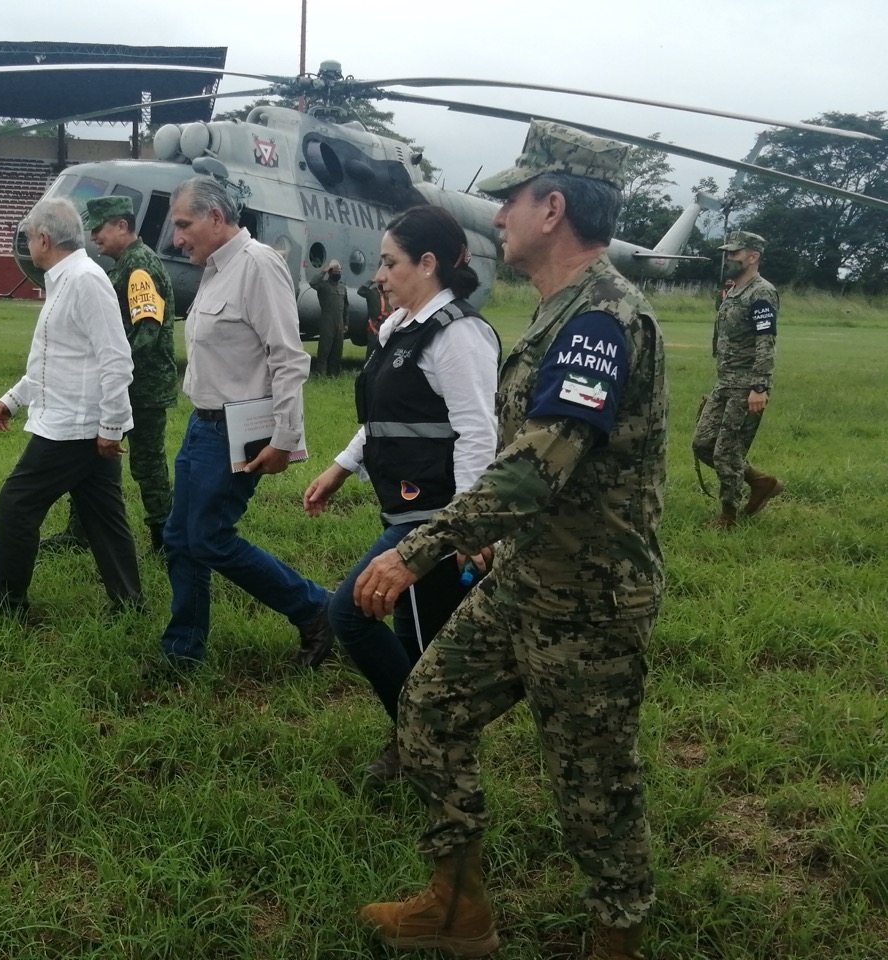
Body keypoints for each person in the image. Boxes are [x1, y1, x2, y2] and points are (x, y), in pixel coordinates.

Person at [354, 121, 667, 960]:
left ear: (552, 208)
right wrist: (490, 542)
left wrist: (418, 548)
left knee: (591, 783)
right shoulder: (554, 313)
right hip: (525, 580)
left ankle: (617, 939)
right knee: (430, 709)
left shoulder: (603, 322)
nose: (495, 218)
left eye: (509, 200)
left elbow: (535, 469)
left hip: (590, 601)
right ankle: (458, 913)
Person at [302, 206, 500, 784]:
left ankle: (419, 745)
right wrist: (341, 467)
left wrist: (468, 527)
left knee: (356, 614)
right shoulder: (401, 328)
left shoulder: (458, 334)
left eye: (390, 262)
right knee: (414, 639)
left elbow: (477, 433)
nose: (380, 275)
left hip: (432, 518)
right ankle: (421, 744)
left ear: (428, 263)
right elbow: (385, 418)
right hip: (406, 510)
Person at [158, 175, 333, 670]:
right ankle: (182, 650)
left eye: (184, 224)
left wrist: (284, 438)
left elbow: (288, 358)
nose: (178, 238)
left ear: (217, 218)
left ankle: (317, 608)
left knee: (210, 537)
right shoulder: (215, 268)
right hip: (203, 424)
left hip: (237, 428)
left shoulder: (258, 266)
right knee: (180, 538)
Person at [0, 197, 141, 620]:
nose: (27, 246)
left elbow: (115, 358)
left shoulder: (85, 280)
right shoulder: (65, 279)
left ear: (43, 238)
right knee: (103, 515)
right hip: (81, 421)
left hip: (75, 426)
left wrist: (111, 425)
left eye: (28, 238)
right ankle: (129, 604)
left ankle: (6, 604)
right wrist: (13, 398)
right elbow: (56, 357)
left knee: (17, 505)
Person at [44, 196, 178, 555]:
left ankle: (165, 540)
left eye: (99, 228)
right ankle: (81, 530)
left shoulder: (139, 268)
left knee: (147, 465)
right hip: (122, 386)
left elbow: (147, 330)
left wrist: (111, 370)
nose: (93, 236)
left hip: (142, 389)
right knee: (90, 460)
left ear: (121, 225)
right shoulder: (125, 265)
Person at [692, 229, 782, 529]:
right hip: (724, 382)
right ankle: (761, 482)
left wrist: (759, 387)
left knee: (726, 452)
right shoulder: (732, 289)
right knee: (703, 444)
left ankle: (727, 516)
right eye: (727, 253)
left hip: (747, 385)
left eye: (734, 253)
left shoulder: (761, 292)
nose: (728, 257)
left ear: (752, 257)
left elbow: (765, 342)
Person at [310, 258, 350, 377]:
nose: (338, 274)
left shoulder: (342, 288)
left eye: (339, 271)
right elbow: (313, 283)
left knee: (337, 349)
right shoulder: (323, 286)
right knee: (324, 348)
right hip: (327, 321)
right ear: (330, 272)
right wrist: (325, 269)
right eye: (335, 271)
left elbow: (346, 306)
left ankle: (334, 373)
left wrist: (346, 323)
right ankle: (320, 373)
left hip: (340, 322)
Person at [357, 277, 393, 352]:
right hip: (375, 329)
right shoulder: (373, 293)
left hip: (388, 328)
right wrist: (371, 281)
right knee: (371, 352)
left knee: (386, 353)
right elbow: (361, 291)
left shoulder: (392, 294)